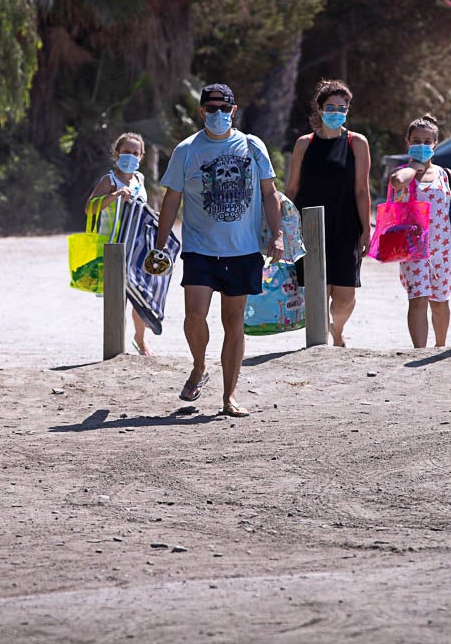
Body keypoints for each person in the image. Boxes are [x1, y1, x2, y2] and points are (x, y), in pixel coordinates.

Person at [153, 83, 284, 417]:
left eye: (224, 109)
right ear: (201, 112)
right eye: (211, 109)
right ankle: (199, 367)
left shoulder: (253, 146)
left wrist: (278, 234)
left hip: (244, 249)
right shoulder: (187, 150)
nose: (218, 115)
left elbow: (270, 193)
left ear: (233, 111)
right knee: (194, 316)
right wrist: (160, 244)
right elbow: (172, 199)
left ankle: (229, 396)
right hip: (200, 248)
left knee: (233, 320)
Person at [388, 114, 451, 348]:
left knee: (439, 302)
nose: (422, 146)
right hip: (413, 250)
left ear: (435, 144)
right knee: (417, 299)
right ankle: (419, 351)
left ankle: (440, 346)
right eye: (416, 141)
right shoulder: (404, 173)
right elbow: (396, 182)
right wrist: (415, 166)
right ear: (408, 142)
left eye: (427, 141)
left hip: (443, 251)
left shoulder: (445, 175)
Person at [285, 78, 371, 347]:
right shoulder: (304, 144)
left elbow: (361, 190)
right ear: (320, 109)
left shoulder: (357, 143)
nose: (337, 113)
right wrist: (280, 224)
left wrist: (367, 228)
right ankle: (319, 344)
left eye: (342, 108)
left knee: (345, 296)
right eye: (331, 107)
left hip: (346, 225)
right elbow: (292, 188)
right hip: (309, 226)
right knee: (318, 291)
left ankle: (337, 329)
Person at [85, 132, 155, 356]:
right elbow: (90, 208)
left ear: (142, 156)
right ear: (116, 154)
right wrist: (114, 195)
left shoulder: (140, 179)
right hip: (114, 247)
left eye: (135, 153)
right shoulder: (109, 180)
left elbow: (143, 207)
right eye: (126, 152)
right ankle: (116, 347)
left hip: (138, 245)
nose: (131, 157)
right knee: (118, 299)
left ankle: (140, 340)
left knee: (140, 296)